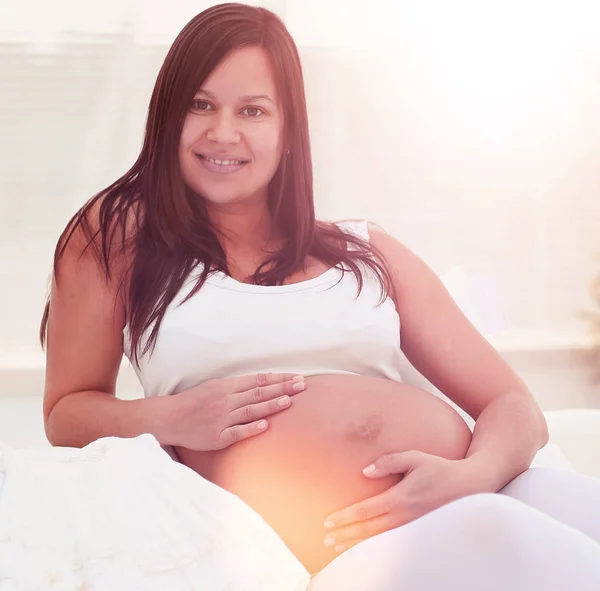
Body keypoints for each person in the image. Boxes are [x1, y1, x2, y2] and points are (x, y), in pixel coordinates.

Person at [14, 1, 598, 589]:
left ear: (289, 127)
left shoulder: (368, 251)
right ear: (168, 115)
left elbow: (512, 405)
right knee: (498, 535)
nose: (223, 132)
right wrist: (172, 417)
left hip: (478, 490)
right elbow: (66, 413)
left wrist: (472, 475)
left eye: (253, 110)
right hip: (356, 540)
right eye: (201, 104)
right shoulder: (118, 236)